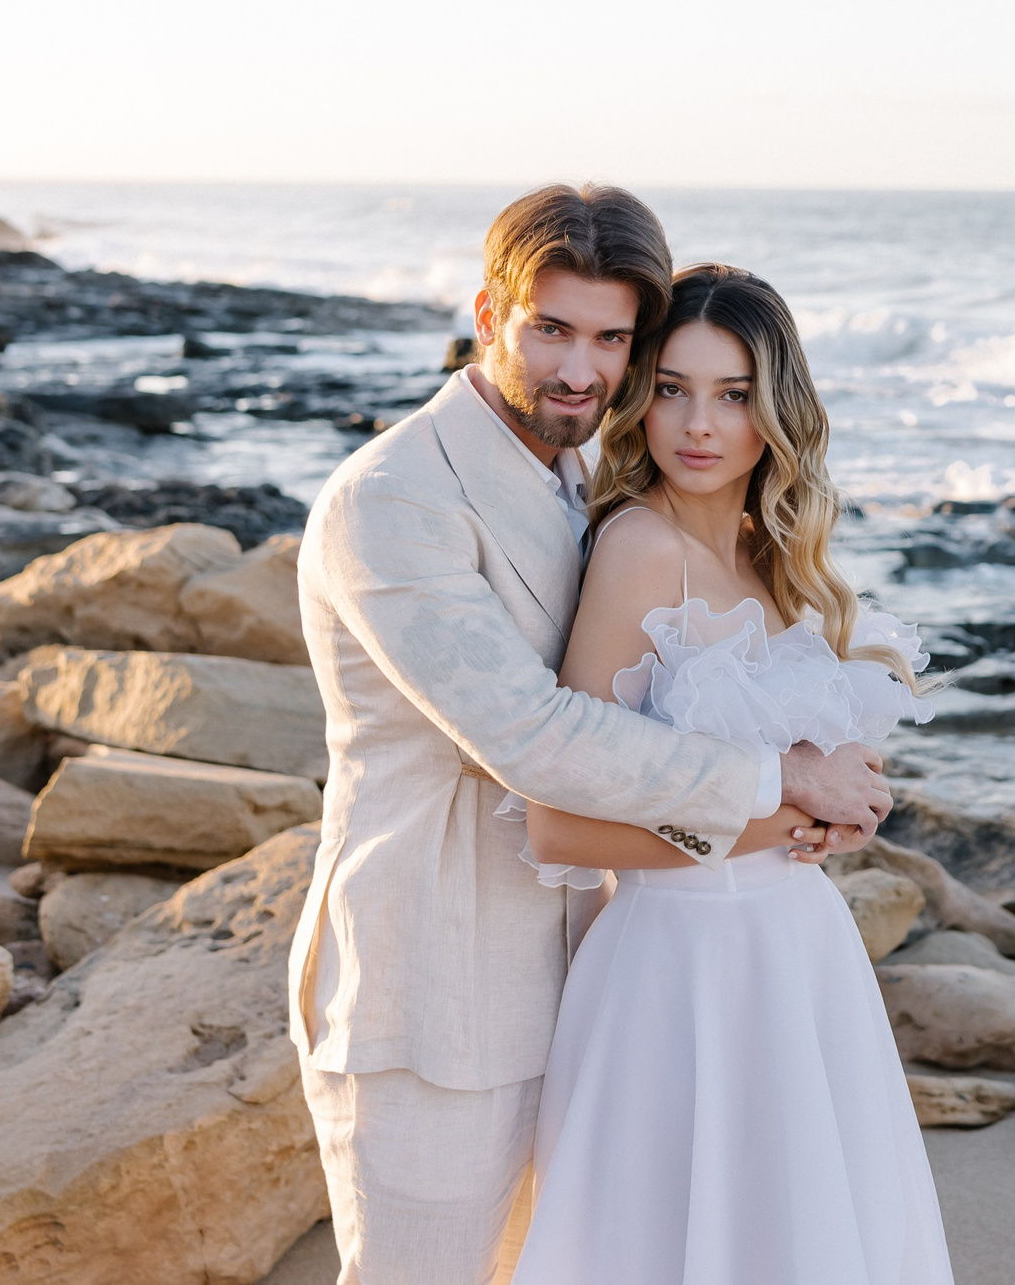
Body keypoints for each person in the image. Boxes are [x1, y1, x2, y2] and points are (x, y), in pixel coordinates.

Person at [286, 186, 894, 1285]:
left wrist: (798, 806)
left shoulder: (576, 480)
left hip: (591, 978)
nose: (581, 370)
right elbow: (529, 733)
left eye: (612, 339)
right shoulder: (396, 498)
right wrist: (779, 784)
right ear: (487, 312)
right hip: (436, 987)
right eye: (551, 329)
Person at [502, 263, 955, 1285]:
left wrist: (849, 798)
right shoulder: (635, 550)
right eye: (670, 388)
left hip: (800, 959)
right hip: (678, 971)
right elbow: (556, 831)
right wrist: (789, 809)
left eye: (732, 394)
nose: (696, 425)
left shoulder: (777, 554)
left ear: (776, 410)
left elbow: (811, 751)